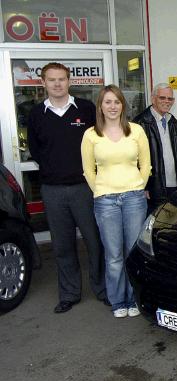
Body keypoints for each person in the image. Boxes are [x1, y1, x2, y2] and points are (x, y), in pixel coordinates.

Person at [27, 62, 107, 313]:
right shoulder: (36, 114)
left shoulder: (85, 109)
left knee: (95, 242)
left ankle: (103, 289)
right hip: (53, 190)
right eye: (52, 80)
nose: (57, 84)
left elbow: (100, 144)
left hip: (84, 188)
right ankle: (69, 294)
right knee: (62, 245)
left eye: (62, 79)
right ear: (43, 83)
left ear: (69, 81)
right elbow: (36, 149)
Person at [80, 85, 151, 318]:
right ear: (101, 106)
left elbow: (146, 164)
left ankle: (133, 298)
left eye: (117, 102)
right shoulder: (91, 135)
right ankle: (118, 301)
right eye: (108, 102)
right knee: (113, 255)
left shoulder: (137, 131)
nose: (112, 106)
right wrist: (101, 191)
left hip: (134, 198)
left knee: (132, 252)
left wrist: (138, 187)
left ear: (123, 105)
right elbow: (88, 170)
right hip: (105, 201)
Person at [133, 83, 177, 212]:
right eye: (162, 98)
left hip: (174, 185)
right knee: (153, 225)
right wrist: (144, 186)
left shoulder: (171, 120)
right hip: (153, 188)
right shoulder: (141, 122)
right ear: (153, 98)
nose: (167, 101)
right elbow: (134, 159)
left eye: (170, 99)